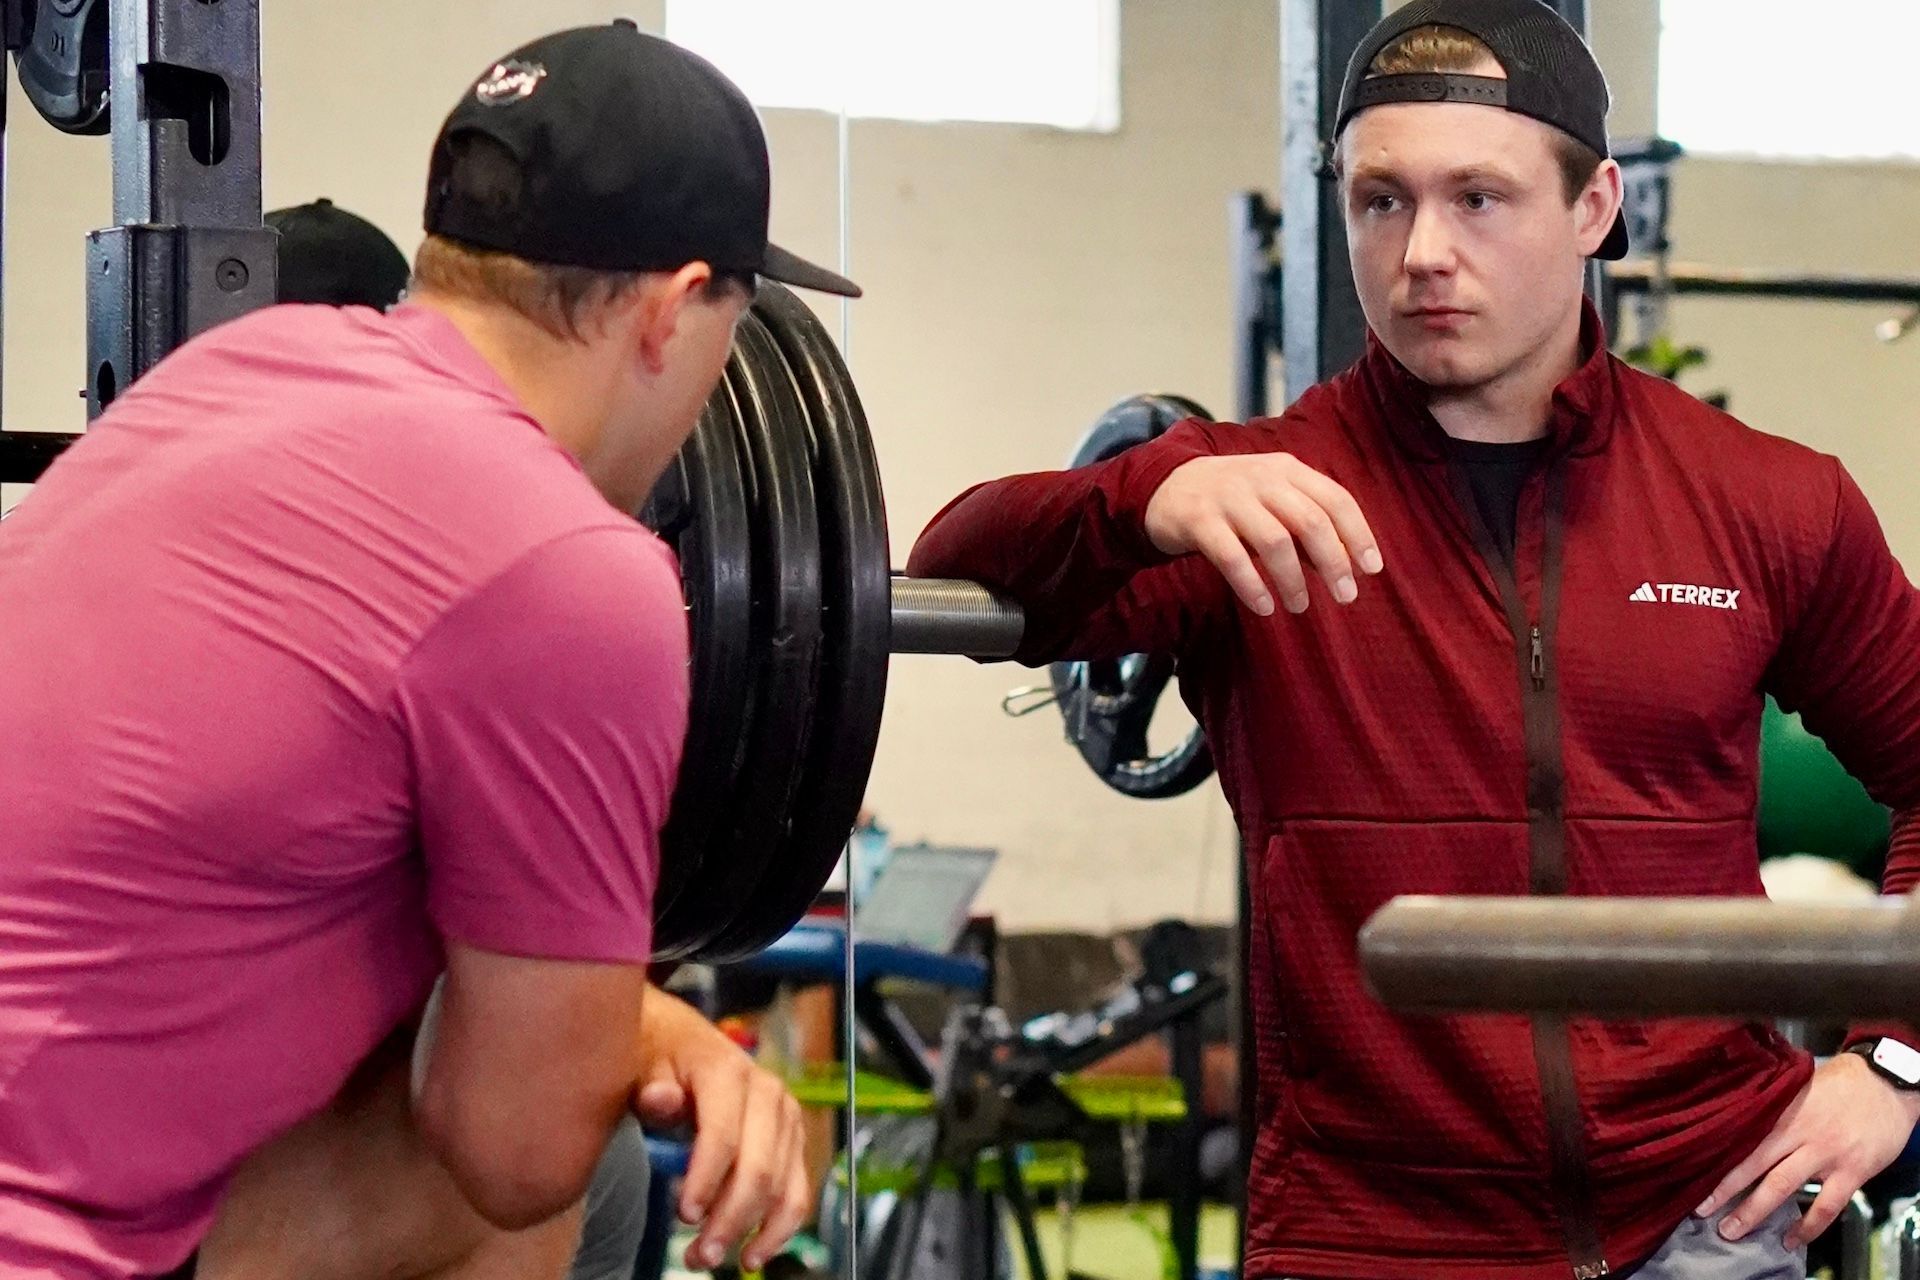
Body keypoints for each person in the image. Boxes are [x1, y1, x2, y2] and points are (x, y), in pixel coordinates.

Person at [907, 2, 1920, 1277]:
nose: (1422, 253)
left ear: (1594, 207)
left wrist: (1892, 1061)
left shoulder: (1761, 500)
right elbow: (950, 566)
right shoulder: (1246, 504)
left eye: (1478, 199)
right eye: (1380, 201)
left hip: (1703, 1216)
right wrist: (1139, 499)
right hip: (1369, 1236)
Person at [0, 21, 859, 1280]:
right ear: (679, 313)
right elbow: (509, 1145)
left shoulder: (235, 374)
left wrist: (635, 1015)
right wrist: (627, 1036)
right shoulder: (573, 573)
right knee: (530, 1185)